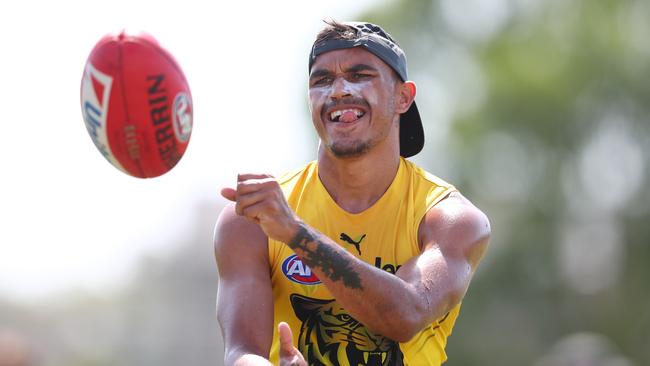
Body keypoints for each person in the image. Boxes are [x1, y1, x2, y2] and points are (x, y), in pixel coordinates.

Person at [214, 20, 490, 366]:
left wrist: (296, 234)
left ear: (403, 97)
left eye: (360, 75)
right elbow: (242, 353)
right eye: (322, 80)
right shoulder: (251, 220)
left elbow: (407, 314)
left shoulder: (451, 218)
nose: (339, 90)